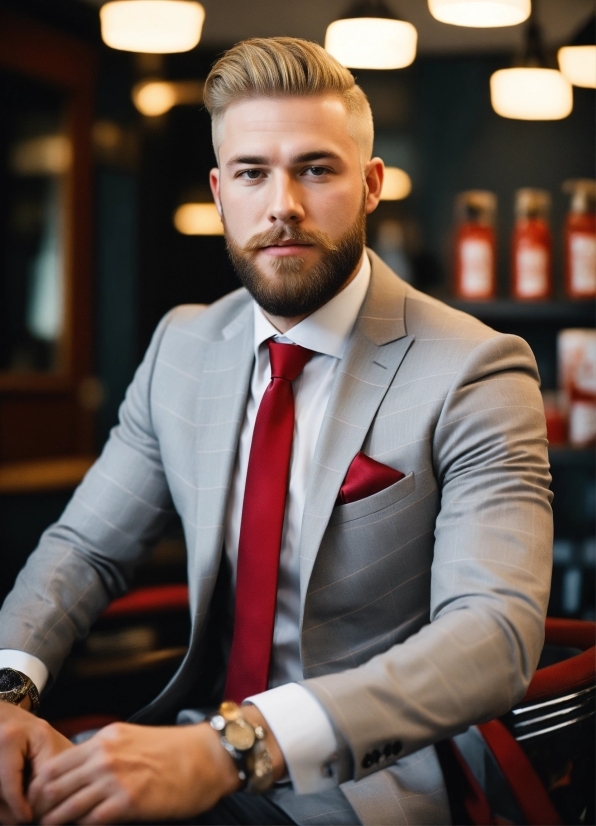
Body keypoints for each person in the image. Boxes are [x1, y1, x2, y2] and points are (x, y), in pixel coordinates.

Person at [0, 37, 553, 826]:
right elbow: (85, 548)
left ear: (370, 186)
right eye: (254, 173)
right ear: (222, 192)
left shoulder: (476, 367)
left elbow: (491, 636)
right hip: (182, 738)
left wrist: (234, 746)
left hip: (372, 774)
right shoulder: (182, 346)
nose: (282, 204)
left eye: (316, 169)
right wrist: (9, 694)